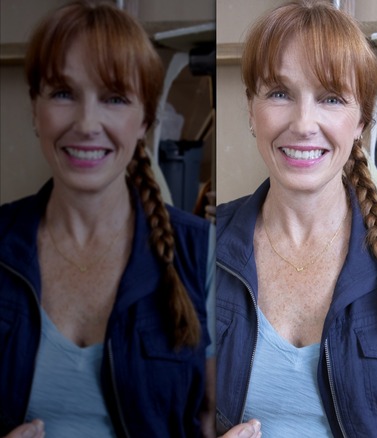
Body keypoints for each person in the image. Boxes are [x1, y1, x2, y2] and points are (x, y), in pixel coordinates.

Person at [215, 1, 377, 437]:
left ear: (361, 122)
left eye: (331, 98)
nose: (303, 123)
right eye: (279, 93)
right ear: (251, 109)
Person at [0, 2, 215, 437]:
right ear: (34, 108)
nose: (86, 123)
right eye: (63, 92)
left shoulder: (204, 251)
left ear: (145, 120)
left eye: (114, 98)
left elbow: (216, 419)